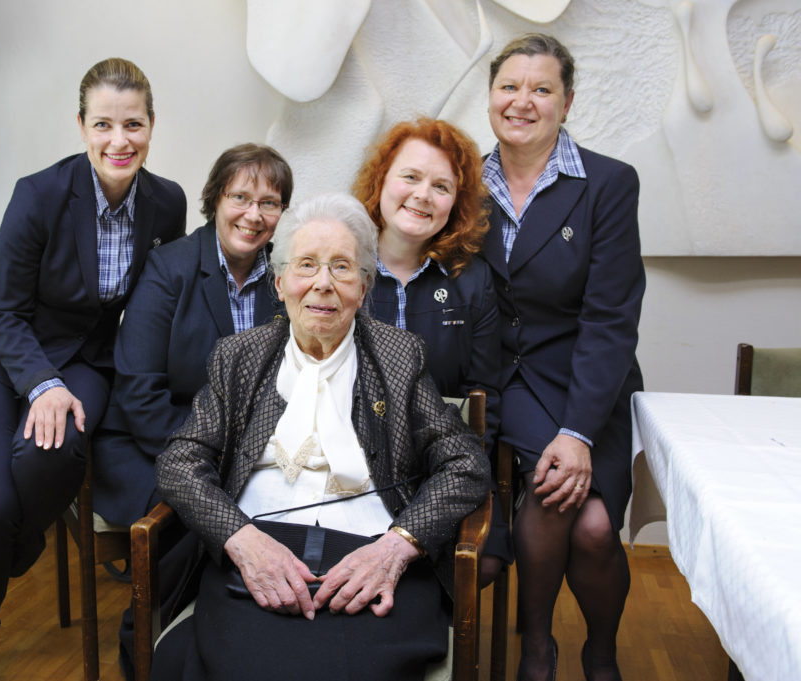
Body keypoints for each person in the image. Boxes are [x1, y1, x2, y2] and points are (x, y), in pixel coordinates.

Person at [151, 193, 490, 681]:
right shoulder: (239, 357)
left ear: (364, 287)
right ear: (280, 282)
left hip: (370, 554)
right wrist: (239, 539)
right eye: (306, 264)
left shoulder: (399, 356)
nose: (323, 284)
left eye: (342, 267)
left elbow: (465, 464)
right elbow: (179, 462)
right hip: (258, 554)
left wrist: (397, 547)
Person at [0, 58, 186, 681]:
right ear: (81, 127)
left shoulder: (167, 204)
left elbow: (157, 302)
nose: (119, 140)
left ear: (152, 126)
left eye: (133, 124)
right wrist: (42, 384)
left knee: (55, 450)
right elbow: (4, 310)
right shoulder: (40, 195)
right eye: (103, 124)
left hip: (87, 359)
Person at [479, 34, 645, 681]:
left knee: (597, 527)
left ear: (567, 102)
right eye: (509, 86)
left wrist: (578, 431)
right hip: (512, 378)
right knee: (554, 497)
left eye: (541, 89)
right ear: (491, 97)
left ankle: (600, 650)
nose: (522, 101)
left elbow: (611, 319)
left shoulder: (608, 183)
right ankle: (537, 649)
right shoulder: (464, 181)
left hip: (590, 379)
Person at [92, 143, 292, 675]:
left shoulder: (284, 279)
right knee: (197, 508)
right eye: (240, 197)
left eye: (269, 203)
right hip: (146, 443)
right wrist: (210, 460)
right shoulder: (170, 268)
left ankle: (233, 642)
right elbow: (139, 392)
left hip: (238, 449)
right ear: (215, 199)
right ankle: (145, 644)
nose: (253, 214)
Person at [352, 118, 506, 582]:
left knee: (483, 563)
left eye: (441, 186)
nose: (423, 195)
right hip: (352, 468)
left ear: (455, 203)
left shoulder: (473, 281)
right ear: (382, 181)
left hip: (443, 468)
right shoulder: (342, 267)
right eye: (411, 177)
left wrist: (449, 478)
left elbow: (484, 399)